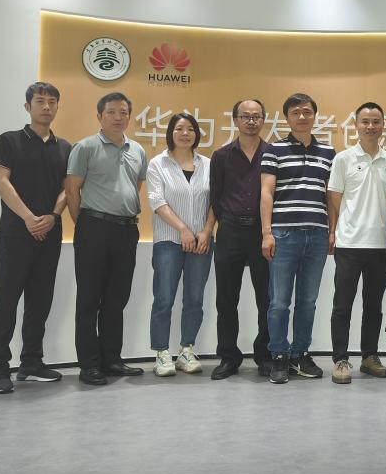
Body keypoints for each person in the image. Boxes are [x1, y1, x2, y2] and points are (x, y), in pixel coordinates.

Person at [0, 82, 72, 394]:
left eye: (52, 102)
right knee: (6, 301)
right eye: (40, 101)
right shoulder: (9, 141)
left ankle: (31, 363)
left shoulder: (66, 148)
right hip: (14, 234)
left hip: (49, 234)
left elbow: (68, 188)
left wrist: (52, 216)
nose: (46, 107)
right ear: (27, 106)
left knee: (40, 301)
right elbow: (1, 182)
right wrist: (28, 218)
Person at [65, 92, 149, 385]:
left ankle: (111, 359)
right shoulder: (85, 147)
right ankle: (89, 365)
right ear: (99, 116)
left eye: (123, 112)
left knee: (116, 299)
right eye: (111, 112)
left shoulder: (138, 150)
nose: (118, 117)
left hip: (126, 230)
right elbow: (72, 190)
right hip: (93, 228)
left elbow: (136, 186)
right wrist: (84, 226)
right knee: (89, 299)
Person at [261, 93, 336, 384]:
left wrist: (332, 230)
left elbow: (330, 195)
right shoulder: (274, 150)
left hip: (317, 235)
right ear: (287, 118)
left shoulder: (328, 152)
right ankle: (279, 355)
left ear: (315, 116)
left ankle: (300, 354)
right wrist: (266, 233)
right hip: (284, 234)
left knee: (308, 300)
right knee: (279, 301)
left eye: (307, 112)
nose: (302, 117)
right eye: (295, 112)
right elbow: (266, 193)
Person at [327, 102, 386, 384]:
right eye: (365, 121)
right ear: (355, 125)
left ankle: (370, 357)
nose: (370, 126)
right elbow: (335, 197)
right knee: (342, 305)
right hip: (349, 244)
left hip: (379, 244)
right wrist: (339, 229)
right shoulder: (343, 159)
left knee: (373, 306)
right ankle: (340, 360)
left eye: (376, 121)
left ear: (383, 126)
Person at [146, 113, 215, 377]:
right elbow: (157, 201)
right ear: (171, 133)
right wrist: (183, 230)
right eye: (179, 129)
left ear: (197, 134)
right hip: (168, 241)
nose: (185, 133)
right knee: (164, 298)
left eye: (190, 129)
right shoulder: (158, 164)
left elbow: (216, 201)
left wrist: (206, 231)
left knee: (194, 299)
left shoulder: (208, 165)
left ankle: (187, 350)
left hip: (201, 242)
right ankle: (162, 353)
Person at [209, 99, 272, 380]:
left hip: (262, 232)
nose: (251, 121)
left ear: (263, 120)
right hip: (230, 231)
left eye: (256, 116)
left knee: (266, 298)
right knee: (226, 299)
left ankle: (265, 355)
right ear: (235, 120)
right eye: (245, 116)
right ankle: (228, 357)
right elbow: (216, 196)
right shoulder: (221, 156)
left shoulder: (273, 154)